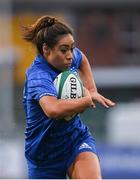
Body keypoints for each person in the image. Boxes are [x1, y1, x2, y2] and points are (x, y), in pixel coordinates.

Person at [22, 15, 115, 179]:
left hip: (75, 141)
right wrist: (85, 101)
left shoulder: (69, 58)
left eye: (71, 48)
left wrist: (91, 89)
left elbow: (82, 58)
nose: (70, 55)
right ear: (46, 49)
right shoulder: (38, 76)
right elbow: (53, 109)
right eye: (64, 50)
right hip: (44, 156)